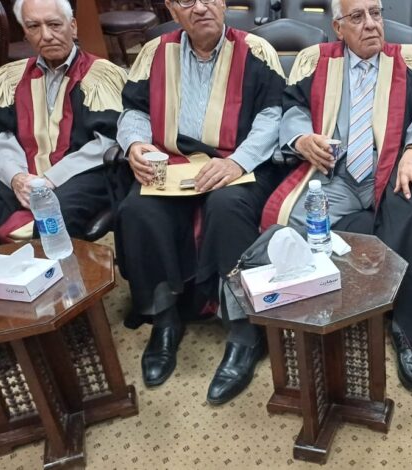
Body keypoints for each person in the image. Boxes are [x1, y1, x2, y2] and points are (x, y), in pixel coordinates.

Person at [261, 0, 412, 391]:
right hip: (335, 174)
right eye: (357, 17)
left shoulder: (410, 61)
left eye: (376, 14)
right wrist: (302, 138)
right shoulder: (317, 62)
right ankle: (315, 320)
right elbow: (293, 107)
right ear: (338, 28)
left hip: (395, 167)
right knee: (288, 223)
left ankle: (411, 334)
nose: (370, 24)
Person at [115, 0, 286, 404]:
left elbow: (274, 115)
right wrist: (135, 143)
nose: (200, 7)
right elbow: (133, 110)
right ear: (172, 10)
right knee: (137, 209)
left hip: (237, 163)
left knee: (227, 207)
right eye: (185, 0)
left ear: (223, 3)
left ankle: (244, 331)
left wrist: (237, 161)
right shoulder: (155, 52)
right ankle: (165, 317)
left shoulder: (255, 51)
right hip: (171, 162)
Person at [0, 0, 125, 242]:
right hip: (23, 176)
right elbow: (1, 135)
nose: (46, 35)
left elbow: (109, 141)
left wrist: (50, 179)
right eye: (34, 26)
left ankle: (60, 267)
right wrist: (16, 177)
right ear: (24, 32)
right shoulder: (10, 79)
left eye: (54, 24)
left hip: (81, 175)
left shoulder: (100, 76)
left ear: (73, 26)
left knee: (56, 215)